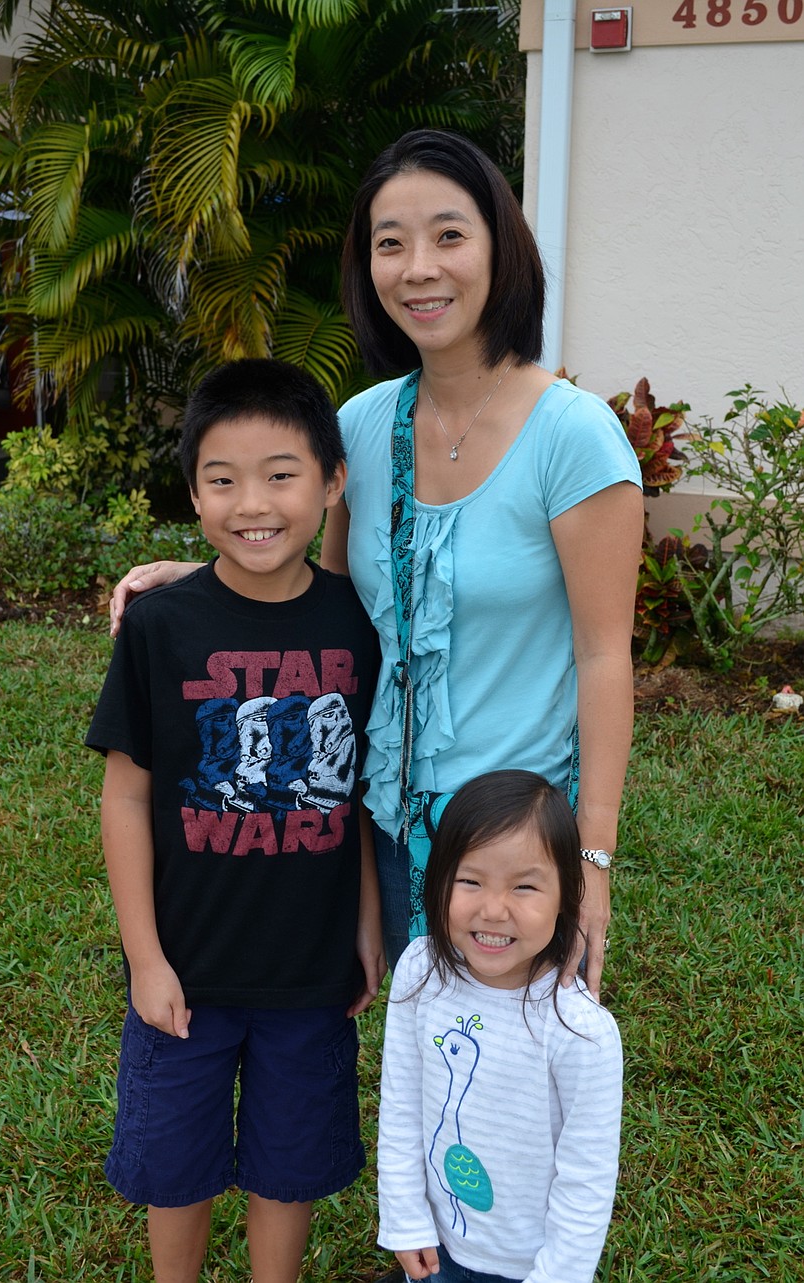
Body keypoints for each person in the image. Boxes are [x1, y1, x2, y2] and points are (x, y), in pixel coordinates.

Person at [109, 128, 644, 1001]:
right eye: (389, 244)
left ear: (499, 248)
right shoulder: (360, 426)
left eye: (448, 235)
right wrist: (206, 580)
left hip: (515, 848)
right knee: (430, 1079)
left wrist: (592, 857)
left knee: (510, 1099)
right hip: (387, 829)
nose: (418, 267)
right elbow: (330, 603)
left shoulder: (573, 438)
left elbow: (603, 655)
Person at [87, 358, 383, 1283]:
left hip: (310, 966)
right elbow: (126, 796)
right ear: (193, 493)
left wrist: (368, 928)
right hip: (188, 968)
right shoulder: (161, 625)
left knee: (288, 1163)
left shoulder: (358, 622)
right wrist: (145, 956)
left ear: (332, 483)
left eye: (282, 474)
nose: (252, 502)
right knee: (175, 1162)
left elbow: (364, 792)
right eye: (222, 479)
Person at [378, 770, 622, 1283]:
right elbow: (401, 1106)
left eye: (525, 887)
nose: (493, 910)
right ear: (438, 880)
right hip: (434, 1251)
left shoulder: (581, 1031)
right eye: (470, 880)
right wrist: (404, 1219)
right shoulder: (420, 971)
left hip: (528, 1268)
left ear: (567, 899)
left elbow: (586, 1179)